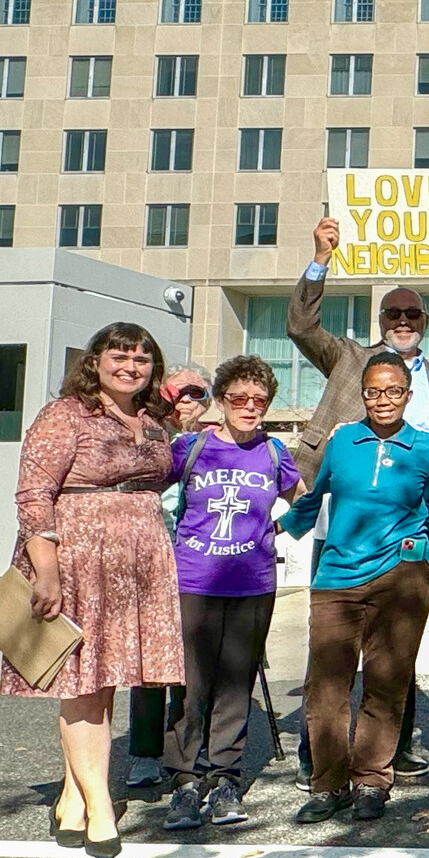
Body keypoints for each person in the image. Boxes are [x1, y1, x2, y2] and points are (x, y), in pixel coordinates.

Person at [287, 216, 429, 784]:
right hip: (341, 523)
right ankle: (324, 756)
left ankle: (389, 750)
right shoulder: (349, 358)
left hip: (408, 538)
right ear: (380, 320)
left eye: (412, 315)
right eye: (393, 314)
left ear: (425, 323)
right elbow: (301, 326)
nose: (402, 322)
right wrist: (320, 259)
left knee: (394, 655)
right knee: (333, 651)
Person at [11, 323, 183, 858]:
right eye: (120, 356)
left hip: (140, 560)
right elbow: (33, 494)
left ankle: (72, 797)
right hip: (80, 558)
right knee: (84, 684)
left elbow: (158, 481)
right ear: (96, 362)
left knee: (106, 683)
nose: (131, 366)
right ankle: (101, 806)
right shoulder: (64, 414)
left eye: (142, 358)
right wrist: (46, 570)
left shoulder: (154, 421)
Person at [279, 351, 429, 823]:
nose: (383, 399)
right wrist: (271, 531)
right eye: (374, 391)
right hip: (336, 576)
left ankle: (372, 778)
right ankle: (328, 784)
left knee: (386, 681)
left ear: (408, 396)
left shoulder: (426, 447)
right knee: (326, 685)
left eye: (394, 390)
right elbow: (314, 500)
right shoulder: (344, 441)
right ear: (362, 395)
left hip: (402, 575)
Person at [159, 355, 302, 832]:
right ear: (220, 401)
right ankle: (183, 780)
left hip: (252, 584)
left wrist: (275, 528)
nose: (249, 407)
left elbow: (305, 500)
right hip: (194, 579)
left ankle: (224, 777)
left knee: (234, 683)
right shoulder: (191, 448)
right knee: (191, 683)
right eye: (238, 398)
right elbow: (150, 497)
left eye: (259, 400)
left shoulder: (275, 453)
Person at [126, 362, 219, 789]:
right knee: (148, 662)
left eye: (196, 393)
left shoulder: (210, 442)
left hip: (195, 562)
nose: (185, 401)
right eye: (175, 392)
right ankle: (145, 752)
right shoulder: (145, 435)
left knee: (192, 662)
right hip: (147, 558)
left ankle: (185, 742)